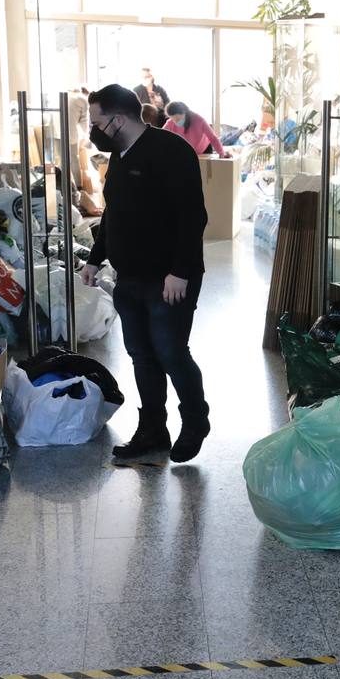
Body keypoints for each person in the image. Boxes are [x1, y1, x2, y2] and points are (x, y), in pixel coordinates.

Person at [80, 84, 210, 464]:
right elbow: (113, 214)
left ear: (118, 120)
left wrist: (180, 272)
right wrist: (94, 258)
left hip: (168, 278)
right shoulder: (120, 154)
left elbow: (192, 217)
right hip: (130, 277)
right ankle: (152, 430)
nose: (94, 129)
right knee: (141, 356)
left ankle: (195, 420)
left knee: (171, 352)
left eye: (97, 121)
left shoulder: (171, 152)